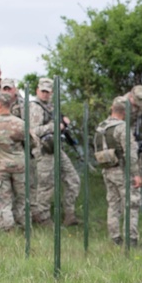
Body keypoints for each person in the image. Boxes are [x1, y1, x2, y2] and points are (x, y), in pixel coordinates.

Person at [29, 78, 80, 226]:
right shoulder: (35, 107)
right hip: (43, 150)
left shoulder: (51, 107)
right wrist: (55, 126)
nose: (45, 94)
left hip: (56, 148)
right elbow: (34, 131)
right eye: (43, 91)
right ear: (37, 91)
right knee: (46, 185)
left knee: (73, 179)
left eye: (48, 92)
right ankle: (43, 219)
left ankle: (69, 214)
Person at [95, 96, 142, 245]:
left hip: (107, 170)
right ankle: (132, 239)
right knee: (132, 204)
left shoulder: (101, 127)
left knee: (113, 204)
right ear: (125, 111)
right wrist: (136, 174)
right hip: (122, 171)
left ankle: (115, 238)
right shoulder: (122, 127)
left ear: (113, 109)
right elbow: (130, 153)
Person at [0, 93, 27, 231]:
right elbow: (32, 142)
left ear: (0, 105)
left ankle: (8, 229)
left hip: (0, 166)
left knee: (4, 201)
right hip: (19, 166)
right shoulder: (20, 124)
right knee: (22, 199)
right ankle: (24, 228)